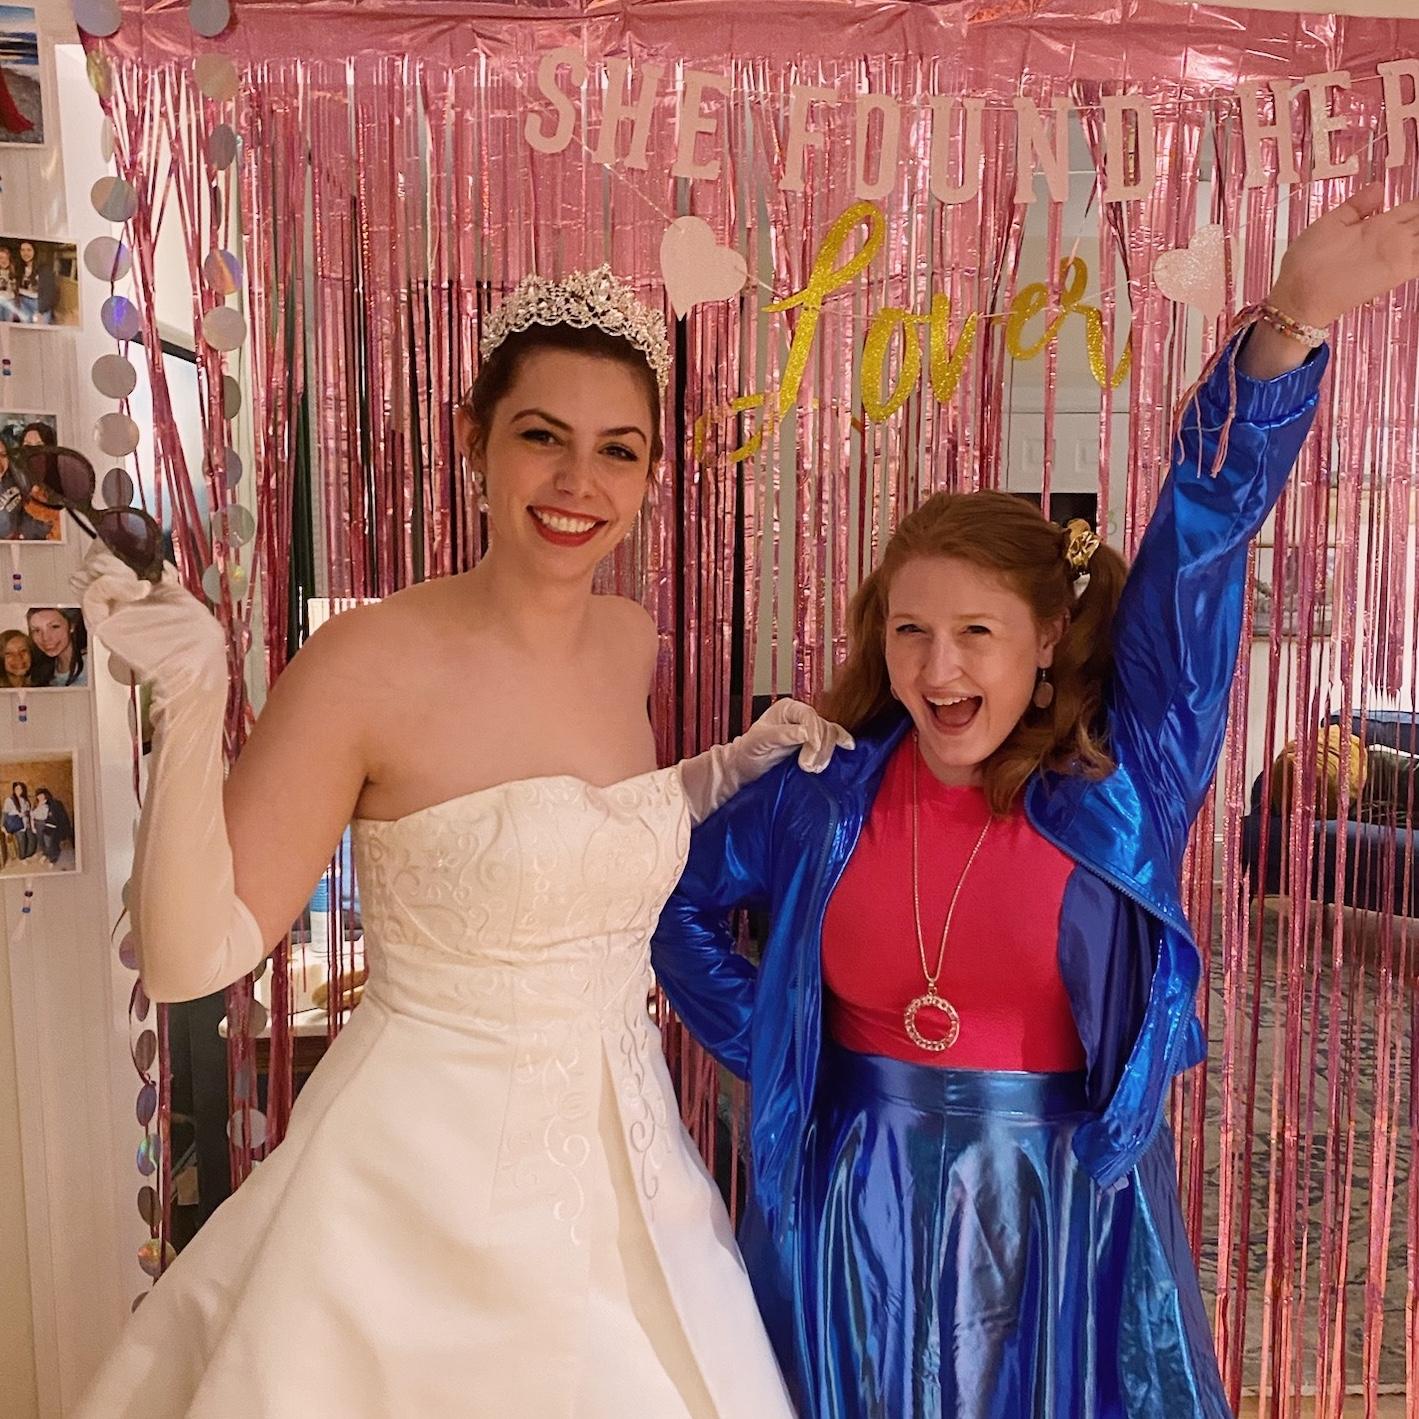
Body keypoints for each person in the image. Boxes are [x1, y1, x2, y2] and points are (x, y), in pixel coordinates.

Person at [652, 184, 1419, 1418]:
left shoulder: (1124, 784)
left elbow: (1200, 545)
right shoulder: (821, 793)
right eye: (910, 630)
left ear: (1048, 640)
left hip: (1061, 1213)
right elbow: (678, 899)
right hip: (851, 1209)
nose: (937, 667)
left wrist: (1288, 328)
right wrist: (781, 1047)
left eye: (976, 632)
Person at [71, 267, 850, 1418]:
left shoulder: (627, 639)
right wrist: (191, 703)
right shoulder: (365, 664)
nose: (579, 483)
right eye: (542, 437)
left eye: (619, 451)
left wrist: (723, 771)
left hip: (634, 1159)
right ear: (472, 438)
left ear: (651, 474)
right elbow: (193, 961)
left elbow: (585, 830)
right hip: (420, 1186)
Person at [27, 606, 86, 686]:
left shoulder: (93, 665)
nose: (45, 638)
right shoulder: (40, 672)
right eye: (37, 630)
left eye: (54, 627)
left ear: (71, 625)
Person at [15, 241, 57, 325]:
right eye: (22, 250)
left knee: (39, 330)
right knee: (26, 330)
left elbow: (50, 292)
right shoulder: (19, 267)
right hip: (23, 303)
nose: (25, 253)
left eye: (29, 250)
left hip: (39, 304)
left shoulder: (44, 268)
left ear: (35, 251)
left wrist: (41, 311)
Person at [31, 787, 72, 866]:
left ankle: (53, 859)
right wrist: (33, 826)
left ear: (45, 795)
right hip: (38, 825)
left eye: (41, 795)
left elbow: (57, 816)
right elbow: (32, 815)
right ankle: (45, 854)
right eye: (38, 795)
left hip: (48, 825)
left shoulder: (52, 803)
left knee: (49, 843)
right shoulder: (36, 804)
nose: (40, 797)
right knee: (41, 842)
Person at [2, 780, 35, 861]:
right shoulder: (9, 800)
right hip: (17, 824)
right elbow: (5, 813)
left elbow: (28, 811)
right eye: (17, 788)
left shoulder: (25, 800)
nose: (19, 790)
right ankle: (22, 858)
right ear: (14, 789)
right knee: (22, 842)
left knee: (32, 841)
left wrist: (26, 814)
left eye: (20, 788)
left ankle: (27, 855)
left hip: (26, 823)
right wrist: (2, 825)